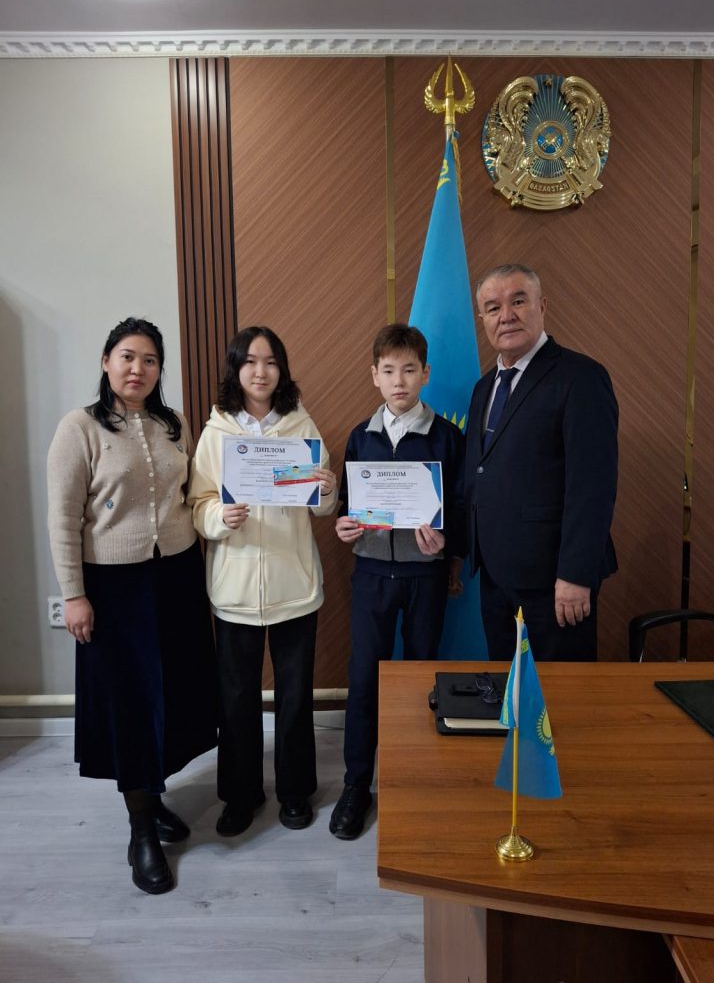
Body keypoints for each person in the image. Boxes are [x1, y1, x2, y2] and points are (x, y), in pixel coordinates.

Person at [46, 317, 217, 896]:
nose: (137, 369)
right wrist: (74, 594)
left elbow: (191, 495)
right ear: (106, 362)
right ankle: (140, 829)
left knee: (172, 691)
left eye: (149, 359)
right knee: (130, 702)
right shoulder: (80, 428)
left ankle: (154, 795)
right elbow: (62, 518)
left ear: (159, 369)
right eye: (127, 356)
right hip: (112, 587)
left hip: (176, 576)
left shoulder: (174, 424)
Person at [187, 327, 337, 837]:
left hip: (294, 584)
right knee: (236, 699)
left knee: (295, 697)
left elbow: (321, 506)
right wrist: (218, 517)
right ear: (236, 369)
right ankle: (240, 795)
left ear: (282, 370)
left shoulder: (301, 425)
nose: (260, 371)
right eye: (250, 361)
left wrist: (327, 490)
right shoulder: (216, 433)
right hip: (234, 588)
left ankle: (295, 792)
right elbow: (198, 503)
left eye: (271, 362)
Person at [331, 324, 465, 840]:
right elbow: (349, 507)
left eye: (409, 369)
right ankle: (356, 785)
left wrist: (446, 542)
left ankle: (415, 779)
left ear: (425, 374)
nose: (399, 380)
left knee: (420, 677)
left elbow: (459, 507)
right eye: (388, 370)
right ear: (374, 376)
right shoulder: (360, 437)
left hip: (425, 576)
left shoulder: (446, 437)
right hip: (371, 574)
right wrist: (344, 526)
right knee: (365, 679)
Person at [466, 263, 618, 662]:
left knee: (560, 694)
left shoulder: (580, 378)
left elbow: (593, 488)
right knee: (508, 690)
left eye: (518, 301)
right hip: (495, 578)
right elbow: (479, 474)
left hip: (554, 581)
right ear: (482, 318)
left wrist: (575, 575)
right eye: (493, 307)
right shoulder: (484, 388)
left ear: (542, 306)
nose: (506, 315)